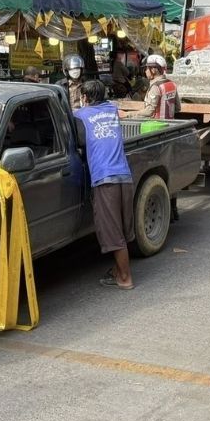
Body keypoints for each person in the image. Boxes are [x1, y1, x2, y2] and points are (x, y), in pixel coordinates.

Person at [73, 80, 136, 290]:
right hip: (124, 176)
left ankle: (125, 278)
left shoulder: (82, 114)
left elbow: (76, 129)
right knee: (123, 229)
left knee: (112, 231)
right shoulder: (112, 109)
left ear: (86, 98)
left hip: (104, 178)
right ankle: (118, 271)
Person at [124, 55, 178, 120]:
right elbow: (178, 108)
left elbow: (149, 112)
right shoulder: (172, 84)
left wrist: (127, 114)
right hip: (171, 124)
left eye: (147, 68)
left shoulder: (156, 87)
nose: (145, 71)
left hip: (157, 126)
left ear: (153, 70)